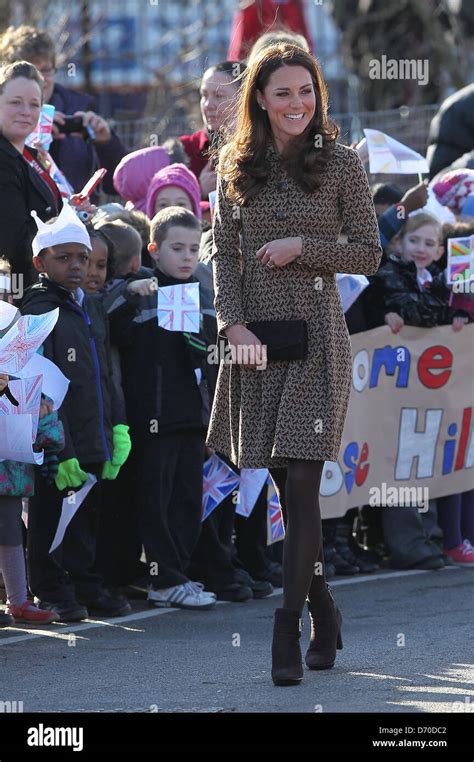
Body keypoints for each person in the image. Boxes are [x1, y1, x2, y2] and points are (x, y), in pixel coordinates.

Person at [206, 42, 382, 685]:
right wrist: (231, 323)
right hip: (254, 344)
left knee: (303, 487)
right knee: (283, 485)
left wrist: (303, 247)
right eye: (283, 93)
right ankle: (325, 609)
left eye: (306, 92)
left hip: (317, 342)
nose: (297, 105)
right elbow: (222, 254)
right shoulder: (233, 163)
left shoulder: (339, 163)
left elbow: (369, 252)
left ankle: (287, 630)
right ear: (258, 97)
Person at [19, 202, 132, 622]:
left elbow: (107, 372)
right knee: (51, 515)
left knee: (86, 514)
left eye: (82, 258)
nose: (76, 266)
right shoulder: (37, 310)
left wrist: (117, 424)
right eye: (63, 258)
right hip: (59, 440)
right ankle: (48, 587)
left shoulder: (92, 306)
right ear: (39, 261)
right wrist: (56, 443)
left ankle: (83, 580)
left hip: (94, 432)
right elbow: (34, 384)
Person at [106, 207, 216, 610]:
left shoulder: (202, 294)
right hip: (152, 419)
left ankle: (177, 575)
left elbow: (209, 362)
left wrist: (210, 420)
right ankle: (162, 578)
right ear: (154, 250)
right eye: (176, 248)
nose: (186, 257)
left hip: (190, 417)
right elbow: (108, 323)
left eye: (193, 248)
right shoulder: (139, 289)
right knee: (156, 500)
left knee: (188, 500)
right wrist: (127, 296)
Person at [0, 25, 127, 195]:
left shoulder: (79, 105)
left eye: (46, 70)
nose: (42, 79)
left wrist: (107, 142)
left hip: (78, 216)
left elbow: (121, 186)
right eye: (31, 70)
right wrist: (31, 136)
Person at [179, 61, 246, 199]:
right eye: (204, 95)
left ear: (244, 99)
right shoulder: (183, 150)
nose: (208, 105)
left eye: (219, 96)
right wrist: (198, 191)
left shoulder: (263, 148)